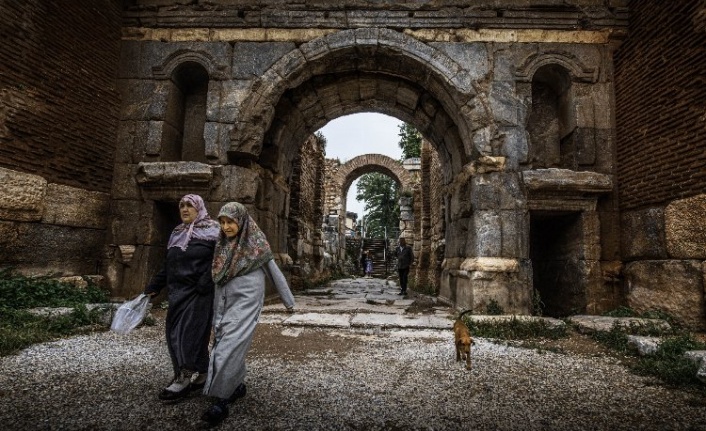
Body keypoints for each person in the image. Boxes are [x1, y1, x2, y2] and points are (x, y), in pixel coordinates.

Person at [201, 202, 295, 427]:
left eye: (230, 222)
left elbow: (274, 272)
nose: (225, 227)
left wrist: (288, 302)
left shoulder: (256, 244)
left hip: (247, 302)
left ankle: (220, 400)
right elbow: (217, 278)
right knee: (225, 342)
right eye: (222, 222)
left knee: (228, 347)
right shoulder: (222, 246)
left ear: (241, 221)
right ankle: (236, 386)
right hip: (223, 303)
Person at [143, 194, 220, 402]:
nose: (185, 209)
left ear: (199, 208)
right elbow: (169, 265)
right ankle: (203, 373)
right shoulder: (177, 232)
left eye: (189, 206)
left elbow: (220, 261)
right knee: (173, 333)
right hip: (177, 294)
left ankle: (183, 378)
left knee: (188, 335)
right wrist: (154, 287)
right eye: (182, 206)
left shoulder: (213, 231)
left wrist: (207, 280)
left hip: (199, 293)